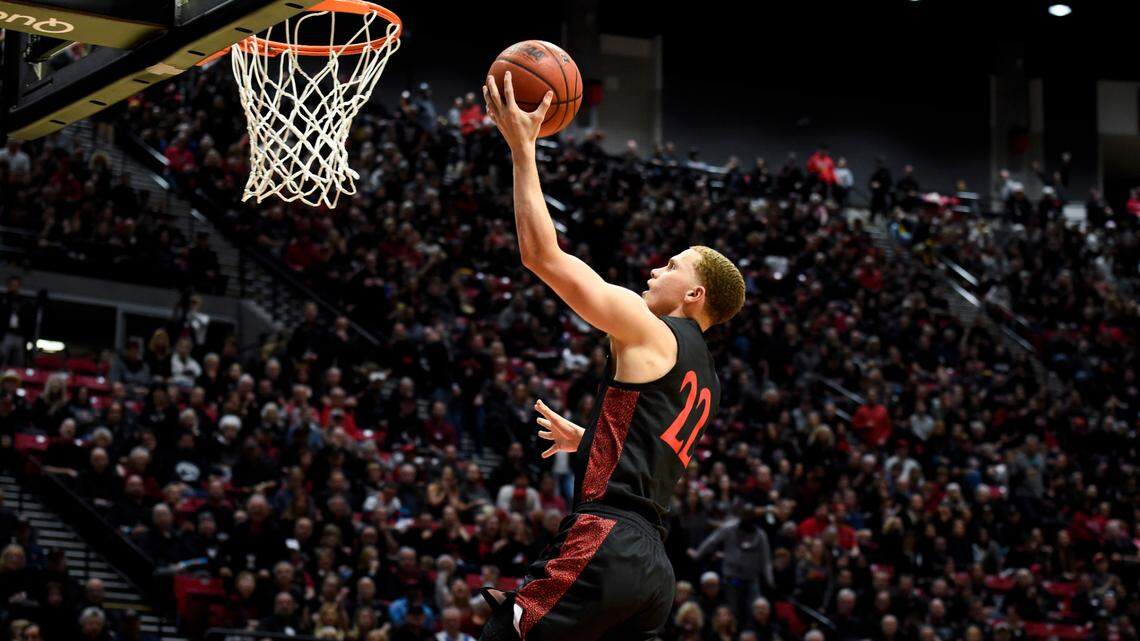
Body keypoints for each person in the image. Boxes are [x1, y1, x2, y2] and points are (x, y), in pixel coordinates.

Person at [478, 71, 746, 641]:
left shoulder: (651, 330)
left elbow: (542, 256)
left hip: (606, 543)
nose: (656, 269)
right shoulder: (708, 379)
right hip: (653, 575)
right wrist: (590, 439)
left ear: (695, 294)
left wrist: (522, 148)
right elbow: (648, 456)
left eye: (672, 266)